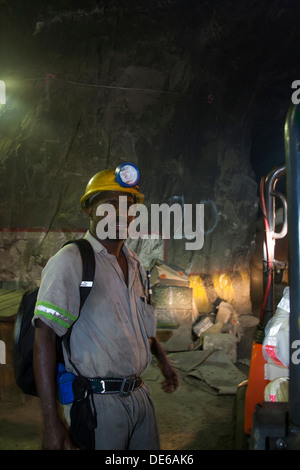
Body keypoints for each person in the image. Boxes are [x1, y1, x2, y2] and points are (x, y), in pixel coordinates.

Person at [33, 164, 179, 450]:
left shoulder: (136, 264)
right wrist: (51, 422)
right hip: (97, 405)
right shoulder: (72, 261)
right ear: (89, 209)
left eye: (128, 205)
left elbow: (141, 324)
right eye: (110, 204)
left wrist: (164, 362)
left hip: (140, 397)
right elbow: (44, 337)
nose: (121, 213)